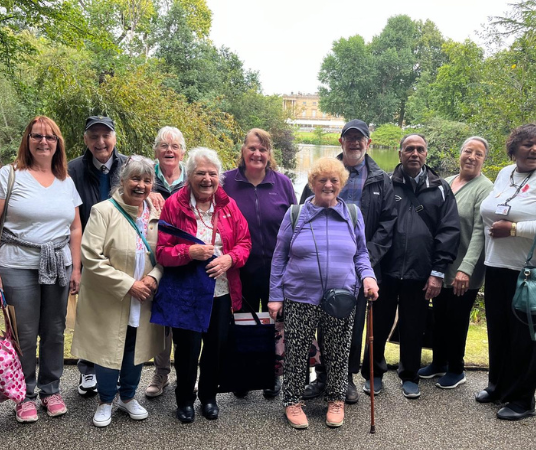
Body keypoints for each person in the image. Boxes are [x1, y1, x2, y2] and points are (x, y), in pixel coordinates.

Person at [0, 116, 82, 423]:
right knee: (23, 333)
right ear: (27, 140)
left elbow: (76, 228)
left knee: (54, 330)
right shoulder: (9, 175)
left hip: (59, 264)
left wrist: (76, 267)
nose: (43, 142)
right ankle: (24, 394)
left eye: (50, 137)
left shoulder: (66, 180)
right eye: (37, 136)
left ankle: (50, 389)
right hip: (17, 264)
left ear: (58, 143)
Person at [269, 157, 379, 429]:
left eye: (334, 180)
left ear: (341, 184)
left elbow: (362, 253)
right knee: (296, 351)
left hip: (341, 297)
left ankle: (336, 399)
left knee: (338, 351)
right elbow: (279, 256)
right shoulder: (296, 214)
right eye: (322, 180)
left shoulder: (352, 214)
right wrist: (275, 294)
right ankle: (292, 401)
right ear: (312, 184)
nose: (328, 185)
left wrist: (368, 277)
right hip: (300, 295)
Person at [478, 123, 536, 420]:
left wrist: (516, 229)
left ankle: (522, 400)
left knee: (525, 338)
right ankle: (498, 386)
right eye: (528, 144)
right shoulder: (506, 173)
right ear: (513, 147)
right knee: (499, 331)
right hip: (496, 267)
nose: (535, 149)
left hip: (530, 272)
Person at [68, 116, 164, 397]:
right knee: (107, 344)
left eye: (147, 180)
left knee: (135, 346)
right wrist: (128, 285)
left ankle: (128, 397)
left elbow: (164, 255)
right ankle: (106, 401)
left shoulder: (156, 214)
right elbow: (91, 256)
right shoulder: (101, 209)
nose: (141, 185)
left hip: (144, 294)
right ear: (121, 180)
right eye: (135, 179)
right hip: (111, 291)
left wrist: (153, 278)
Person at [300, 119, 395, 404]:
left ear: (369, 142)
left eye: (360, 138)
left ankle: (346, 377)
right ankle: (323, 376)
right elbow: (304, 213)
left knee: (350, 325)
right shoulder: (324, 171)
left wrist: (365, 259)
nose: (355, 142)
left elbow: (388, 224)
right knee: (320, 321)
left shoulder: (380, 178)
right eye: (349, 138)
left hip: (359, 268)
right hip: (321, 266)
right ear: (341, 141)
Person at [156, 147, 251, 424]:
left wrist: (230, 260)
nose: (207, 179)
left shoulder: (228, 206)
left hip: (221, 292)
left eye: (212, 173)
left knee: (216, 348)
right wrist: (188, 253)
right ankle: (184, 399)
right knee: (186, 350)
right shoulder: (174, 205)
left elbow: (245, 243)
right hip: (187, 293)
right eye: (200, 173)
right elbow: (161, 251)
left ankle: (208, 397)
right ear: (189, 176)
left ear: (219, 176)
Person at [361, 133, 460, 400]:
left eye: (420, 149)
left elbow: (449, 231)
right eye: (409, 149)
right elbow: (373, 225)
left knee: (414, 326)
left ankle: (409, 375)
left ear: (426, 154)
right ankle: (374, 373)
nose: (414, 154)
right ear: (400, 153)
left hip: (421, 270)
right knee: (378, 325)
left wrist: (438, 272)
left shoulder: (440, 188)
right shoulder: (384, 183)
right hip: (385, 270)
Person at [222, 128, 297, 398]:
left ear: (269, 155)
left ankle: (270, 376)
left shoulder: (283, 184)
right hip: (240, 269)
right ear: (242, 151)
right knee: (244, 322)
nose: (257, 153)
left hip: (278, 272)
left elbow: (296, 226)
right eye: (252, 148)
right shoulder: (225, 182)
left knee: (276, 324)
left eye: (263, 149)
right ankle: (243, 375)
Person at [417, 137, 493, 389]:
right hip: (441, 265)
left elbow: (481, 232)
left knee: (456, 319)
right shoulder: (447, 182)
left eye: (478, 154)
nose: (471, 157)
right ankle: (438, 363)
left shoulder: (485, 188)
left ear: (484, 159)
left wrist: (466, 269)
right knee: (438, 315)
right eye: (468, 151)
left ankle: (456, 368)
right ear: (460, 154)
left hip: (463, 268)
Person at [68, 115, 127, 397]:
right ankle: (88, 371)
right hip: (87, 250)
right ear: (86, 140)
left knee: (116, 315)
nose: (100, 142)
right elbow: (70, 217)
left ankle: (112, 370)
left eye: (106, 135)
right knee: (90, 314)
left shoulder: (128, 166)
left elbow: (146, 193)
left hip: (120, 251)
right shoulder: (73, 169)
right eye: (94, 136)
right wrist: (76, 264)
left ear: (115, 137)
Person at [144, 126, 187, 398]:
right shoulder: (146, 176)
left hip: (185, 255)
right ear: (156, 151)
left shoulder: (192, 176)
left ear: (183, 152)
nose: (169, 150)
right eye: (163, 145)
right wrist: (146, 191)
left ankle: (185, 374)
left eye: (174, 146)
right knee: (160, 321)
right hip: (154, 256)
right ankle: (161, 373)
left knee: (183, 319)